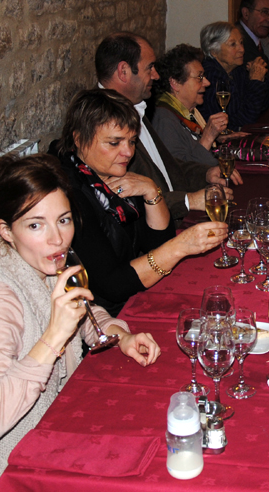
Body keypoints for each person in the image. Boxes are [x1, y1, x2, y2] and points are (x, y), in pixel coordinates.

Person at [0, 153, 162, 492]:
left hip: (53, 424)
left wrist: (119, 335)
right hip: (5, 471)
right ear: (6, 231)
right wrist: (53, 337)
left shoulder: (42, 259)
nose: (57, 238)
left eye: (63, 220)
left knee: (154, 432)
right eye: (35, 225)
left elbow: (84, 310)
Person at [50, 89, 228, 315]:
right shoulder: (68, 196)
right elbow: (112, 286)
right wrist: (180, 247)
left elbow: (157, 242)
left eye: (132, 141)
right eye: (114, 143)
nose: (128, 152)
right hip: (101, 315)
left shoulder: (114, 175)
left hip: (132, 296)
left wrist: (151, 191)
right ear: (79, 139)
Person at [95, 32, 239, 222]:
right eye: (150, 67)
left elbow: (166, 168)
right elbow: (123, 198)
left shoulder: (135, 108)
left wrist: (205, 173)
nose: (156, 75)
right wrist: (188, 200)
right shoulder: (102, 124)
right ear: (124, 72)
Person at [151, 43, 230, 167]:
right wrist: (208, 137)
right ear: (175, 83)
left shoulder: (190, 112)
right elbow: (179, 170)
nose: (207, 83)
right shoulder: (165, 119)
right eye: (199, 77)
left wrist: (218, 137)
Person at [199, 20, 269, 130]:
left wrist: (261, 77)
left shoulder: (237, 69)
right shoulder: (211, 76)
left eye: (241, 42)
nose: (242, 50)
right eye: (233, 44)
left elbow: (262, 106)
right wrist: (256, 81)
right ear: (214, 51)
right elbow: (244, 119)